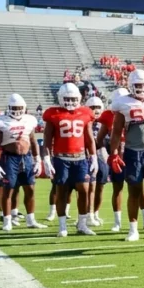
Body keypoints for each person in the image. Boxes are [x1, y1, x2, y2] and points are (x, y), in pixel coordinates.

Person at [109, 71, 144, 242]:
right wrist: (114, 154)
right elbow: (116, 131)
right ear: (130, 86)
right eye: (138, 85)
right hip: (133, 152)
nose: (141, 88)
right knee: (134, 190)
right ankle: (133, 228)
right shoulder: (123, 103)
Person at [40, 83, 98, 237]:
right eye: (67, 98)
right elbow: (47, 139)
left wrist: (94, 157)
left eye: (73, 98)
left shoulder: (86, 112)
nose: (70, 101)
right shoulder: (53, 113)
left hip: (80, 158)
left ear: (79, 98)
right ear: (60, 98)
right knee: (62, 191)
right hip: (61, 159)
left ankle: (82, 224)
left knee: (84, 191)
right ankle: (62, 226)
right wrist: (46, 158)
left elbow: (89, 138)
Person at [0, 94, 46, 231]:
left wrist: (37, 159)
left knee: (30, 189)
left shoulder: (29, 120)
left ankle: (31, 220)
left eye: (19, 107)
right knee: (9, 189)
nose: (17, 110)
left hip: (26, 157)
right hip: (9, 158)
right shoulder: (1, 121)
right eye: (14, 107)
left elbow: (33, 141)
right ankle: (7, 220)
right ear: (9, 108)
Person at [95, 88, 130, 232]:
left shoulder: (133, 112)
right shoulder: (109, 115)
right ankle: (118, 222)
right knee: (117, 188)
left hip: (132, 154)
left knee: (139, 189)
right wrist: (103, 151)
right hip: (116, 156)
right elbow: (100, 138)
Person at [85, 96, 108, 226]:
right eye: (92, 107)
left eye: (98, 107)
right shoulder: (84, 121)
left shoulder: (106, 122)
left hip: (102, 155)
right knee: (90, 186)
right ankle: (88, 214)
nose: (95, 110)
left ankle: (95, 213)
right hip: (88, 155)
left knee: (100, 186)